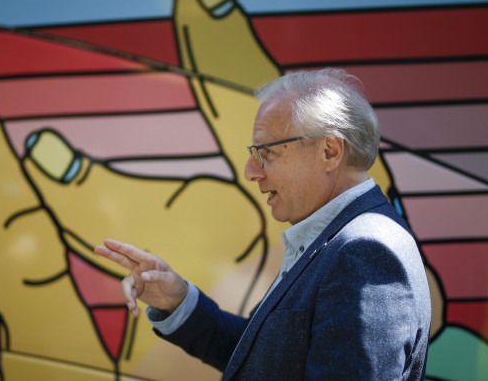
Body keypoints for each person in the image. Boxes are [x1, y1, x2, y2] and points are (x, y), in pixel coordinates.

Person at [95, 68, 432, 380]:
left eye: (267, 153)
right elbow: (259, 356)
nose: (251, 171)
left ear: (330, 151)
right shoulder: (342, 240)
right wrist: (178, 301)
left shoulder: (364, 252)